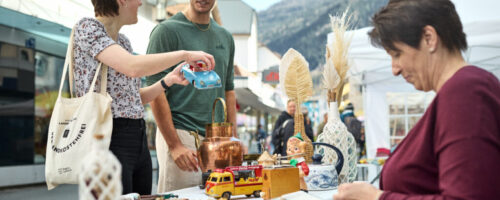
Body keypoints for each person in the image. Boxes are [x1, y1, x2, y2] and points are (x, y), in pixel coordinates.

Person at [334, 0, 500, 199]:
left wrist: (376, 197)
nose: (394, 69)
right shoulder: (459, 92)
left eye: (397, 54)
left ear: (429, 38)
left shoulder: (466, 92)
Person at [73, 0, 215, 195]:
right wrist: (184, 54)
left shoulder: (122, 41)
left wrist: (168, 80)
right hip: (108, 136)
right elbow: (132, 67)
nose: (140, 2)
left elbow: (132, 98)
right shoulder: (87, 28)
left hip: (137, 138)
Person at [145, 0, 239, 192]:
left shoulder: (226, 37)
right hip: (181, 134)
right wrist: (174, 145)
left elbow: (229, 91)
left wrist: (233, 138)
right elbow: (155, 90)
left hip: (218, 139)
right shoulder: (166, 31)